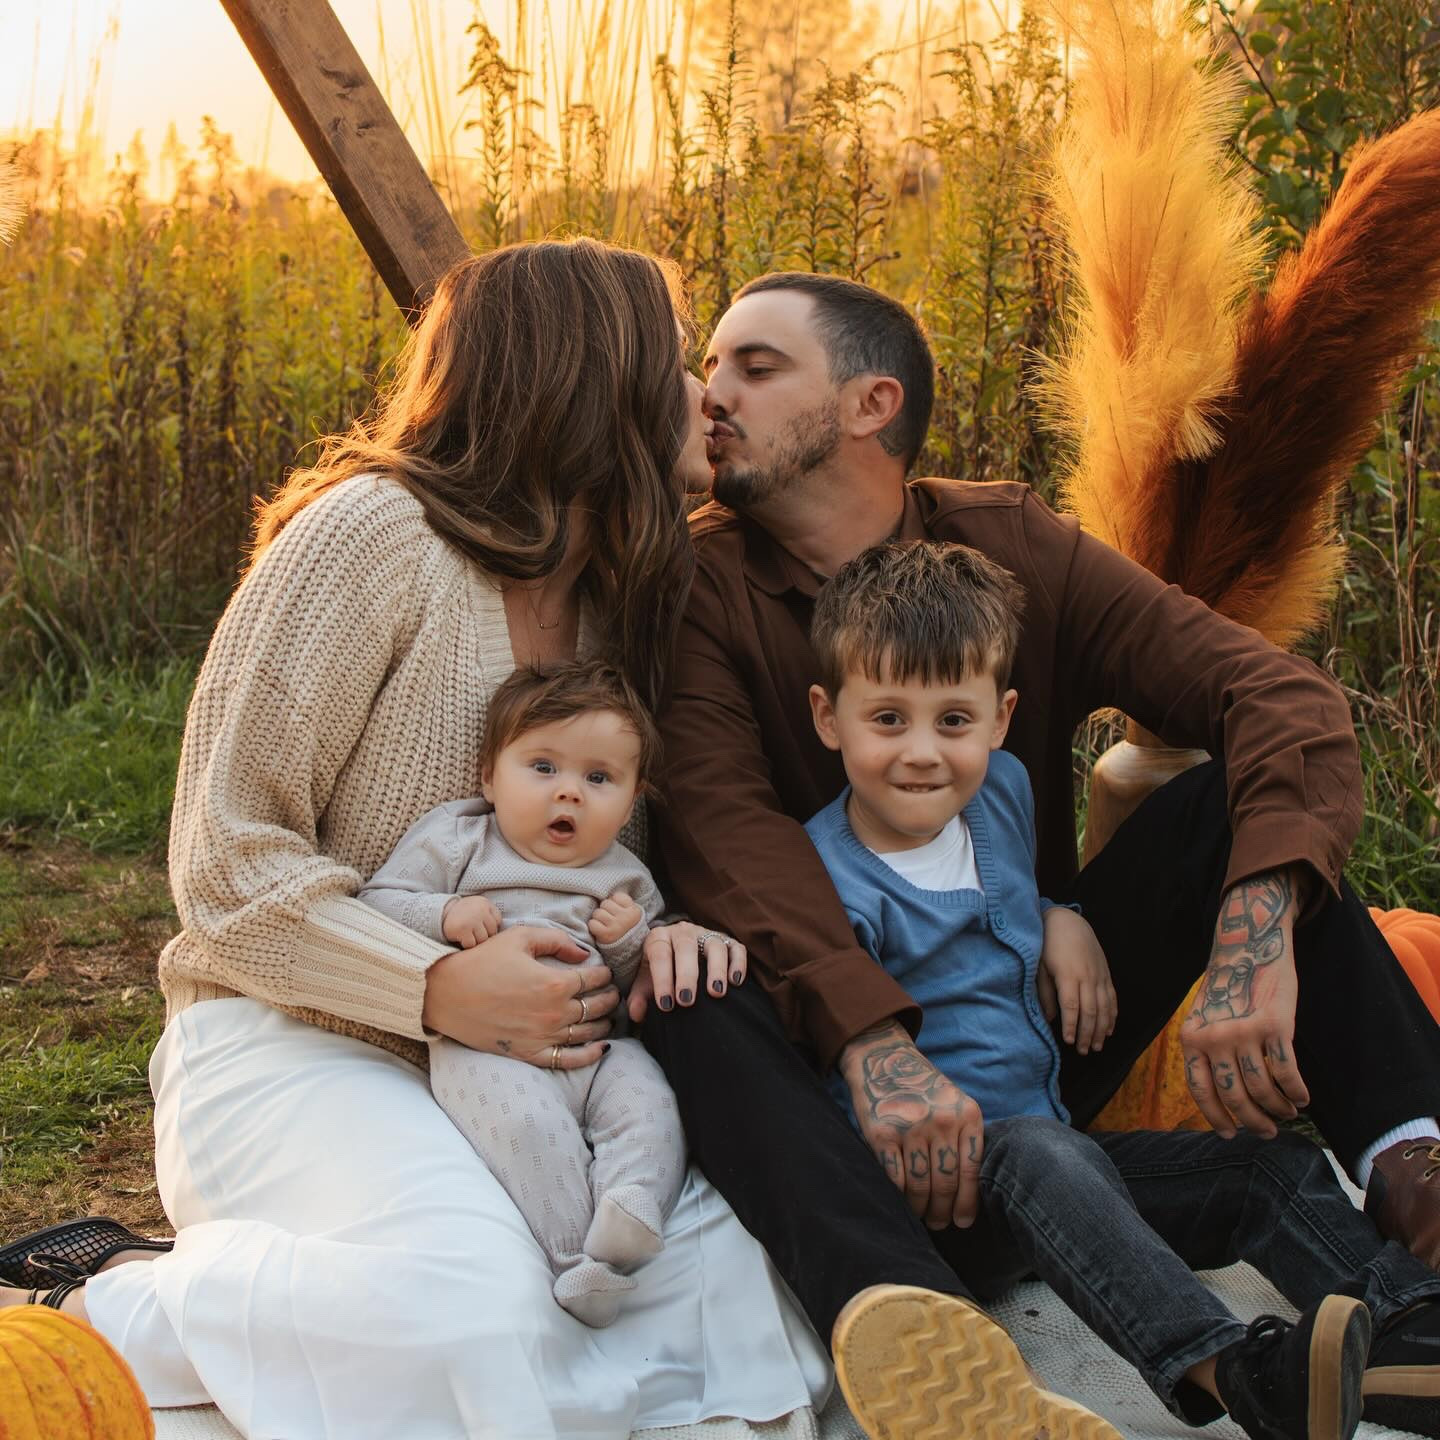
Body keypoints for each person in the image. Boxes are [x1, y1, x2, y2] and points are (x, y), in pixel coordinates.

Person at [0, 241, 829, 1440]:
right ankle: (115, 1306)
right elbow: (225, 864)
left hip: (526, 1069)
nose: (703, 393)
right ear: (588, 374)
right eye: (673, 356)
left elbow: (616, 861)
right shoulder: (372, 536)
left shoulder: (626, 590)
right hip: (291, 1038)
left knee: (735, 1298)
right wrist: (434, 983)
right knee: (471, 1321)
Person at [642, 271, 1440, 1433]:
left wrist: (1251, 933)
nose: (713, 395)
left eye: (755, 368)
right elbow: (729, 839)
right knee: (696, 987)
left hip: (1030, 1018)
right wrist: (874, 1045)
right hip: (832, 1056)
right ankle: (937, 1318)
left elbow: (1279, 700)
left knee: (1230, 807)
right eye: (711, 368)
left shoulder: (1009, 546)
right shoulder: (699, 588)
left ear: (871, 405)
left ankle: (1418, 1210)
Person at [803, 537, 1440, 1440]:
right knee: (1036, 1152)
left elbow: (1010, 896)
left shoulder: (1003, 796)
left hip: (1064, 1164)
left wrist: (1057, 914)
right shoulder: (830, 879)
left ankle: (1412, 1330)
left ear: (1000, 716)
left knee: (1266, 1164)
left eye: (954, 720)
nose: (921, 754)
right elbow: (833, 1042)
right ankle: (1234, 1370)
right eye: (888, 719)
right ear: (829, 718)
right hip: (944, 1200)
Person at [358, 660, 714, 1328]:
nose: (569, 794)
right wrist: (442, 917)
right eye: (543, 768)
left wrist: (630, 940)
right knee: (524, 1129)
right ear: (489, 775)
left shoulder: (625, 878)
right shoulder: (461, 839)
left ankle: (631, 1205)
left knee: (651, 1108)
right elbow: (377, 904)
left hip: (600, 1049)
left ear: (632, 799)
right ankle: (574, 1255)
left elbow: (638, 986)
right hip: (488, 1048)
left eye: (598, 778)